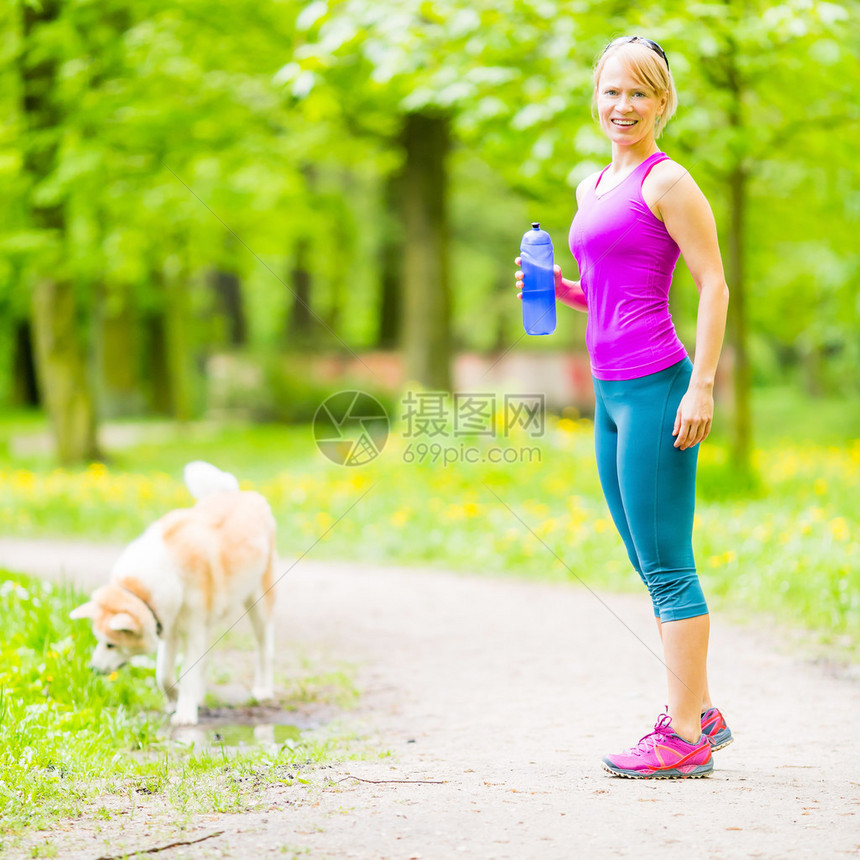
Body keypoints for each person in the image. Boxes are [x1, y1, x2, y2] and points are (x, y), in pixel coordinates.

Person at [515, 35, 732, 778]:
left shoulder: (669, 183)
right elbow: (608, 286)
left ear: (662, 101)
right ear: (596, 97)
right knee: (647, 562)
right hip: (610, 393)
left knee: (669, 566)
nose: (623, 105)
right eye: (612, 91)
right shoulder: (592, 185)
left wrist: (702, 383)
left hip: (660, 387)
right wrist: (561, 291)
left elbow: (712, 284)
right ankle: (699, 710)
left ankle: (682, 735)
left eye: (639, 92)